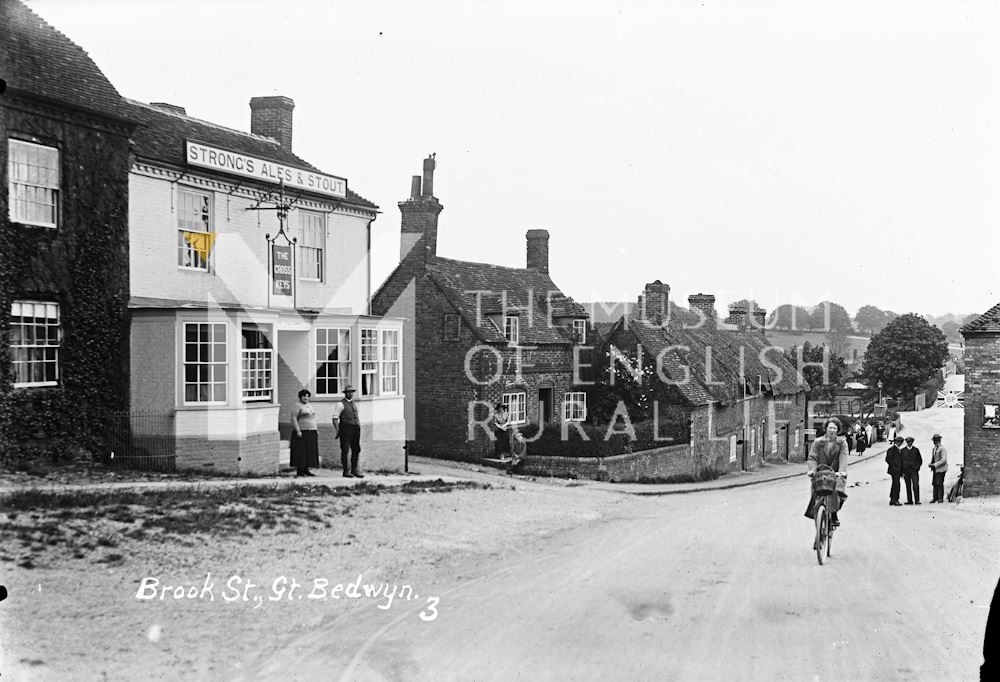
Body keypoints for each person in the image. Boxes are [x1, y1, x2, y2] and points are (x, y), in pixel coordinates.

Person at [805, 417, 849, 527]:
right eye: (830, 428)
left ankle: (834, 513)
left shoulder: (842, 443)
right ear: (826, 429)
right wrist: (812, 470)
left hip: (835, 474)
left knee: (839, 492)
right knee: (816, 500)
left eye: (835, 428)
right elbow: (812, 458)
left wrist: (842, 471)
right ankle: (818, 536)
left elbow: (843, 457)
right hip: (820, 474)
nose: (832, 430)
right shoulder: (818, 442)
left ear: (838, 430)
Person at [332, 385, 363, 478]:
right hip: (345, 429)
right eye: (348, 392)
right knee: (345, 449)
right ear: (345, 393)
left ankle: (354, 470)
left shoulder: (353, 403)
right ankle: (346, 471)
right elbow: (334, 418)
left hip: (355, 429)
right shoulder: (340, 404)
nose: (350, 394)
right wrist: (338, 430)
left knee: (356, 449)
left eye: (352, 392)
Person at [289, 389, 319, 477]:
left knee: (309, 451)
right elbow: (293, 418)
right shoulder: (297, 406)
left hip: (311, 430)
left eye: (307, 396)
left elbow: (313, 418)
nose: (306, 398)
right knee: (301, 451)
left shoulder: (310, 405)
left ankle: (306, 469)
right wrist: (298, 430)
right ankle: (300, 471)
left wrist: (316, 429)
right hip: (302, 431)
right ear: (300, 397)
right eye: (304, 396)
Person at [901, 436, 922, 504]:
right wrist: (902, 471)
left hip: (914, 470)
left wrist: (917, 467)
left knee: (915, 485)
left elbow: (920, 460)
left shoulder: (916, 450)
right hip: (906, 470)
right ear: (906, 442)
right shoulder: (903, 450)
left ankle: (917, 500)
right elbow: (900, 461)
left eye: (910, 442)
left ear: (912, 442)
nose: (909, 443)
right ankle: (909, 500)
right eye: (908, 442)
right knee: (908, 485)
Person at [929, 433, 949, 503]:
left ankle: (940, 498)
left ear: (939, 440)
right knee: (934, 483)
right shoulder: (934, 448)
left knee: (939, 483)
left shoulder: (942, 449)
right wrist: (931, 463)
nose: (935, 442)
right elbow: (934, 458)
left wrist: (935, 465)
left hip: (941, 469)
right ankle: (935, 497)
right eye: (934, 440)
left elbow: (944, 460)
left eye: (936, 440)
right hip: (935, 469)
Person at [885, 436, 904, 506]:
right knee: (896, 484)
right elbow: (887, 459)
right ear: (896, 442)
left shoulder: (899, 449)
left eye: (901, 442)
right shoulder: (892, 449)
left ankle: (893, 499)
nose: (900, 444)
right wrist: (894, 466)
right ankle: (895, 499)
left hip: (898, 470)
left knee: (895, 484)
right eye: (899, 442)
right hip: (894, 470)